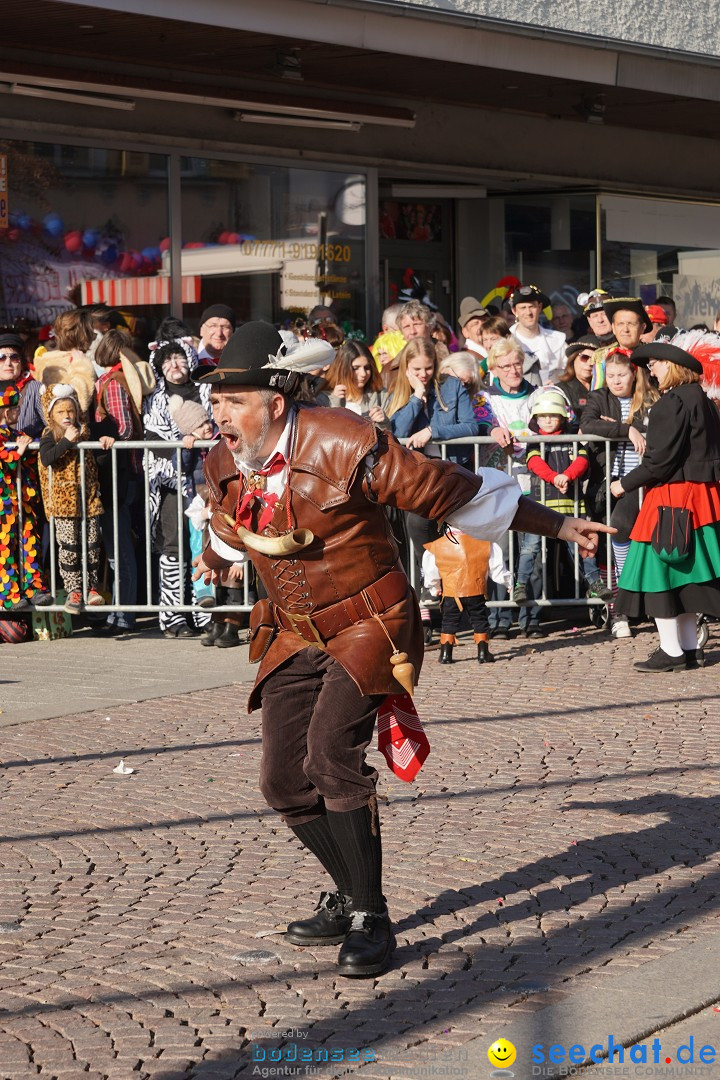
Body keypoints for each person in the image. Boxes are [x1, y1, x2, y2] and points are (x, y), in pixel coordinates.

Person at [192, 320, 609, 978]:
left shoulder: (345, 441)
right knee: (281, 781)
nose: (218, 416)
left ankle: (369, 916)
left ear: (273, 404)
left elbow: (454, 491)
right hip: (292, 629)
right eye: (214, 402)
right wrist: (215, 556)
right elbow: (225, 519)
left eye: (231, 401)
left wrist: (558, 523)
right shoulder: (225, 462)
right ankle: (349, 894)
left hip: (369, 622)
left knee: (332, 753)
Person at [612, 332, 720, 670]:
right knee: (685, 577)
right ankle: (690, 649)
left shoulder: (670, 404)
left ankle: (672, 651)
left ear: (672, 366)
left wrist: (622, 485)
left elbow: (659, 462)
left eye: (655, 364)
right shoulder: (702, 400)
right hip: (701, 496)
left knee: (658, 574)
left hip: (672, 497)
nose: (651, 371)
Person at [581, 348, 659, 639]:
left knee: (644, 538)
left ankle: (644, 602)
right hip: (611, 483)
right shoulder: (599, 397)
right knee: (615, 532)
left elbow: (659, 428)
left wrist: (622, 426)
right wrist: (627, 431)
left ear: (633, 374)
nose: (615, 381)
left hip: (645, 482)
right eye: (610, 375)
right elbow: (588, 424)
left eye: (621, 375)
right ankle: (620, 608)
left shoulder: (650, 397)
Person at [144, 338, 214, 637]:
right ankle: (173, 617)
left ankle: (205, 613)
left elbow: (220, 426)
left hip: (206, 482)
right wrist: (181, 442)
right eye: (167, 361)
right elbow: (152, 438)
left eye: (179, 359)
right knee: (173, 548)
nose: (174, 365)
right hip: (171, 483)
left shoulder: (206, 391)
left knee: (206, 544)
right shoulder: (156, 399)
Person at [519, 391, 612, 604]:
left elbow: (582, 461)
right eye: (543, 416)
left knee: (583, 546)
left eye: (553, 415)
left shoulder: (574, 440)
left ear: (563, 417)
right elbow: (534, 464)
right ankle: (520, 585)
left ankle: (595, 583)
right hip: (540, 509)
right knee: (530, 548)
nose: (548, 420)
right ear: (536, 419)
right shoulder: (534, 442)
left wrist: (567, 476)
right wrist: (555, 478)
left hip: (571, 508)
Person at [38, 384, 110, 615]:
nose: (67, 416)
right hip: (63, 502)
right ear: (51, 415)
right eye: (61, 412)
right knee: (69, 547)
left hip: (88, 500)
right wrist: (67, 441)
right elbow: (48, 458)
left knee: (91, 545)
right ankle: (73, 590)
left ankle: (91, 587)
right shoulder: (49, 435)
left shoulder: (87, 432)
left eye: (71, 411)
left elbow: (98, 458)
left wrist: (106, 443)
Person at [0, 387, 51, 611]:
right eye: (15, 409)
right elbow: (7, 460)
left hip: (23, 500)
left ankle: (34, 588)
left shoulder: (14, 435)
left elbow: (29, 455)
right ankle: (9, 595)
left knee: (30, 540)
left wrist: (28, 446)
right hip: (4, 503)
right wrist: (17, 454)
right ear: (5, 411)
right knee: (5, 548)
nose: (19, 412)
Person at [422, 530, 496, 665]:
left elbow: (431, 572)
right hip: (475, 590)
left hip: (451, 592)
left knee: (449, 621)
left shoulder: (438, 545)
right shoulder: (483, 543)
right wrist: (507, 581)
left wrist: (435, 588)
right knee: (479, 620)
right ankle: (483, 654)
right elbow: (496, 566)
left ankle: (445, 655)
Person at [509, 284, 566, 386]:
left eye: (532, 307)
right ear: (514, 311)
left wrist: (558, 383)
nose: (528, 312)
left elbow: (569, 373)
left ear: (539, 307)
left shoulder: (558, 340)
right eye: (523, 308)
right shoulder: (505, 340)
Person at [320, 341, 387, 424]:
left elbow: (393, 434)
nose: (363, 374)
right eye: (355, 368)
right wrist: (335, 404)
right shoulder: (324, 399)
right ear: (343, 369)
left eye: (367, 368)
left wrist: (384, 423)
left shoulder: (381, 395)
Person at [557, 335, 602, 423]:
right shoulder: (560, 390)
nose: (590, 363)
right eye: (584, 357)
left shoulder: (606, 390)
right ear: (573, 359)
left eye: (595, 359)